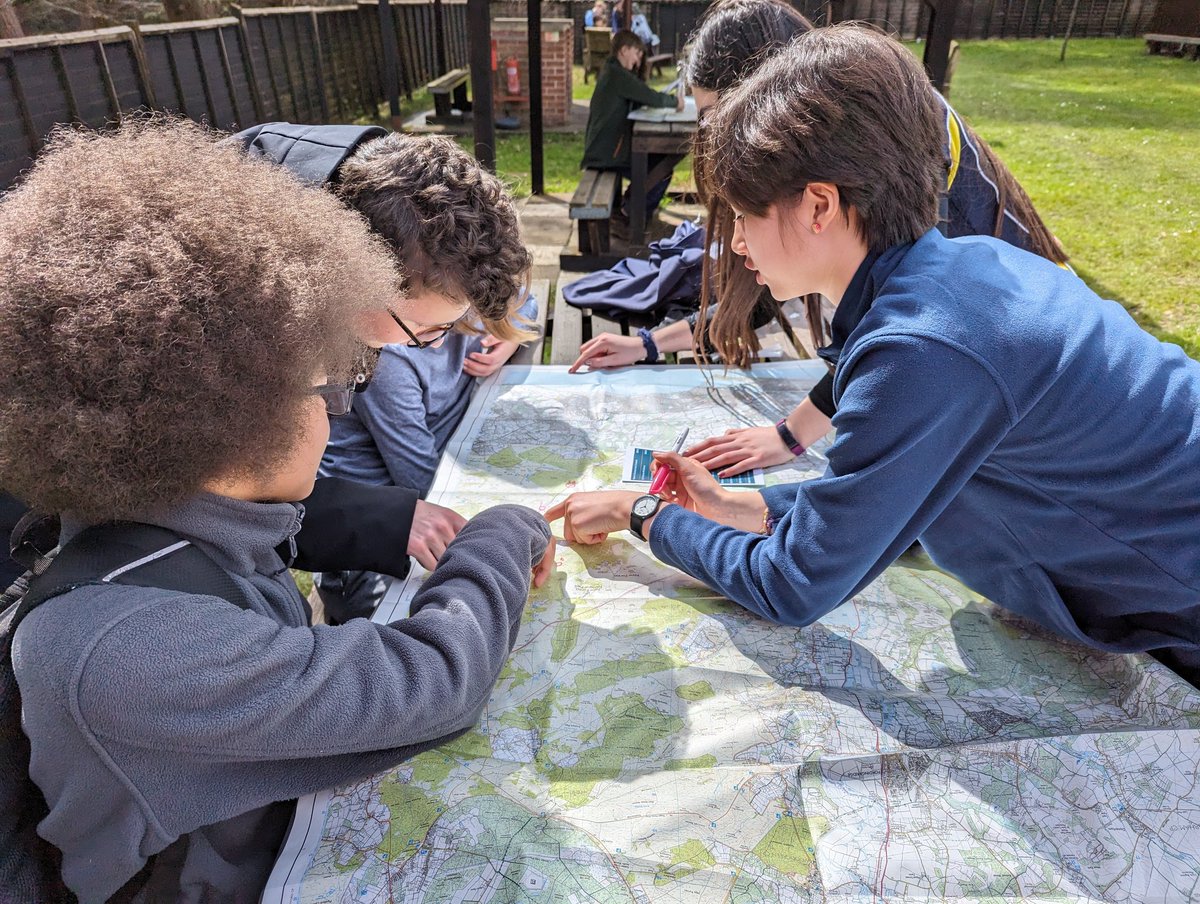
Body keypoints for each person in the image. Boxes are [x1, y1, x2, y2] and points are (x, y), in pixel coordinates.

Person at [0, 118, 554, 901]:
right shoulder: (121, 648)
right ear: (230, 415)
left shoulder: (198, 529)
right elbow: (431, 680)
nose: (338, 409)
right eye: (322, 387)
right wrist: (504, 527)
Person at [547, 25, 1200, 687]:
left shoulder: (922, 350)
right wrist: (734, 508)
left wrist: (644, 514)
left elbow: (793, 585)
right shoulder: (963, 270)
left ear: (820, 206)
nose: (737, 244)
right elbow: (888, 500)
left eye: (743, 215)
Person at [570, 0, 1068, 479]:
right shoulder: (835, 134)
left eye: (718, 121)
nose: (712, 142)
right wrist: (651, 343)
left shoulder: (896, 154)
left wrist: (791, 435)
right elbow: (765, 290)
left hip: (1038, 414)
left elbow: (894, 339)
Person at [314, 133, 538, 623]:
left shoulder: (413, 302)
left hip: (418, 498)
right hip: (368, 553)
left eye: (452, 325)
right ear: (359, 276)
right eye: (425, 331)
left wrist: (509, 335)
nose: (438, 344)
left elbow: (521, 301)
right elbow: (415, 478)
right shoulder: (377, 357)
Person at [582, 29, 683, 221]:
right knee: (662, 171)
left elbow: (639, 95)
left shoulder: (613, 71)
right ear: (624, 50)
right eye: (636, 53)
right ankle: (632, 218)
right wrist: (675, 102)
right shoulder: (617, 75)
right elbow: (650, 96)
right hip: (606, 155)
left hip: (607, 148)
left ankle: (629, 207)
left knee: (659, 165)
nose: (638, 60)